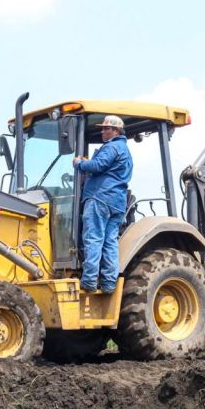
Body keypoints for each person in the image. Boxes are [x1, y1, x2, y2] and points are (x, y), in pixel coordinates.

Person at [72, 115, 133, 293]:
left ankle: (90, 280)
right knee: (110, 242)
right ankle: (108, 283)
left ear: (117, 131)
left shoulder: (112, 147)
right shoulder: (125, 150)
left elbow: (98, 166)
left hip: (100, 198)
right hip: (117, 202)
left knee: (93, 238)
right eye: (102, 128)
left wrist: (79, 163)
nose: (102, 131)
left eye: (107, 129)